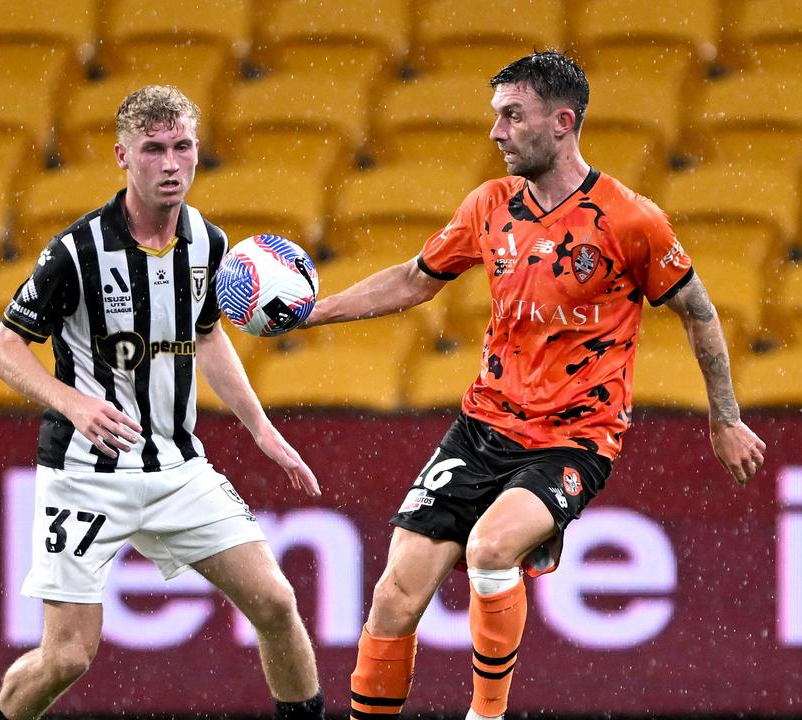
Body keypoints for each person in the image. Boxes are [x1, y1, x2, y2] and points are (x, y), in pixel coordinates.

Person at [303, 52, 767, 720]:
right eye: (496, 115)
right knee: (392, 598)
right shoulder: (488, 206)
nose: (496, 131)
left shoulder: (630, 220)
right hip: (482, 426)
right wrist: (317, 312)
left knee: (493, 546)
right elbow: (414, 279)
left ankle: (486, 717)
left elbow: (697, 310)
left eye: (511, 115)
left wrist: (723, 417)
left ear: (562, 122)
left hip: (573, 438)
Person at [0, 85, 326, 720]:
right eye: (153, 150)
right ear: (122, 156)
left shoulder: (209, 242)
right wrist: (74, 404)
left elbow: (208, 333)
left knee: (276, 605)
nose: (171, 164)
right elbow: (2, 349)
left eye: (183, 147)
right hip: (86, 475)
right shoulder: (76, 252)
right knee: (66, 658)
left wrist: (259, 427)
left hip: (177, 468)